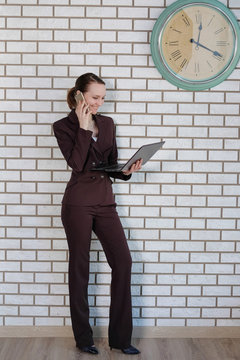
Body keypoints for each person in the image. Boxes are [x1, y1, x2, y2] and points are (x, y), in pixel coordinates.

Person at [53, 73, 142, 355]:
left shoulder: (107, 123)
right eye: (95, 97)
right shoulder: (63, 127)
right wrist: (82, 126)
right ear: (79, 96)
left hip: (105, 202)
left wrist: (125, 171)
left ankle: (120, 339)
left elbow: (110, 163)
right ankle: (84, 339)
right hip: (77, 203)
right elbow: (77, 164)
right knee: (80, 271)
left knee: (124, 263)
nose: (99, 103)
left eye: (103, 98)